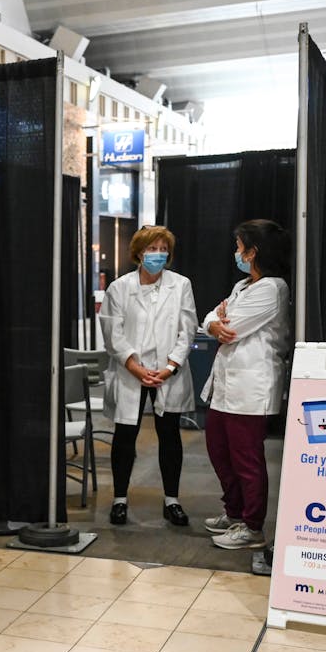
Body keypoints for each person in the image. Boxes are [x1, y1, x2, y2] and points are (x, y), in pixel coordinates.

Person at [201, 219, 292, 550]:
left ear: (253, 252)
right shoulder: (242, 287)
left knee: (246, 460)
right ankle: (235, 512)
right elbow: (211, 317)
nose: (235, 253)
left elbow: (232, 327)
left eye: (239, 247)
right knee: (219, 451)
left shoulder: (273, 288)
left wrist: (219, 323)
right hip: (225, 387)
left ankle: (252, 527)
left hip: (252, 388)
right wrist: (214, 323)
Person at [102, 225, 197, 527]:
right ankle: (119, 499)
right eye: (151, 249)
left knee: (169, 434)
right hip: (132, 370)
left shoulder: (180, 284)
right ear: (138, 253)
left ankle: (172, 500)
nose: (158, 255)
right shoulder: (119, 287)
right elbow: (112, 332)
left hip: (166, 372)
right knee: (125, 435)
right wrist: (134, 366)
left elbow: (187, 329)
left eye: (162, 249)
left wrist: (170, 367)